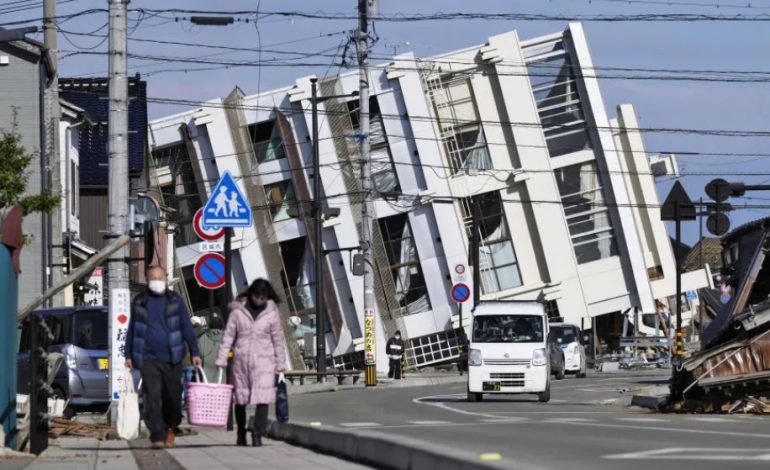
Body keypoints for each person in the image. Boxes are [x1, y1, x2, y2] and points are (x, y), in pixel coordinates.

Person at [125, 265, 202, 449]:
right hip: (148, 357)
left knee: (173, 397)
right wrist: (128, 354)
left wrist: (195, 351)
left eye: (160, 278)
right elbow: (132, 329)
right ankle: (157, 434)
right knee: (152, 396)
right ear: (147, 279)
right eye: (154, 278)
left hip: (173, 357)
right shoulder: (140, 301)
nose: (157, 281)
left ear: (166, 279)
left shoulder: (175, 300)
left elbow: (186, 327)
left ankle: (170, 426)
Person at [216, 279, 287, 447]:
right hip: (242, 361)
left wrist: (281, 364)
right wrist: (222, 358)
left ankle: (257, 433)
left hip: (264, 361)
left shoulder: (271, 312)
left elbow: (278, 339)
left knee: (263, 398)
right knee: (240, 399)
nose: (259, 299)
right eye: (257, 295)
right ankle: (241, 433)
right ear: (251, 294)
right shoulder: (237, 312)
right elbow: (228, 336)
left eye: (262, 296)